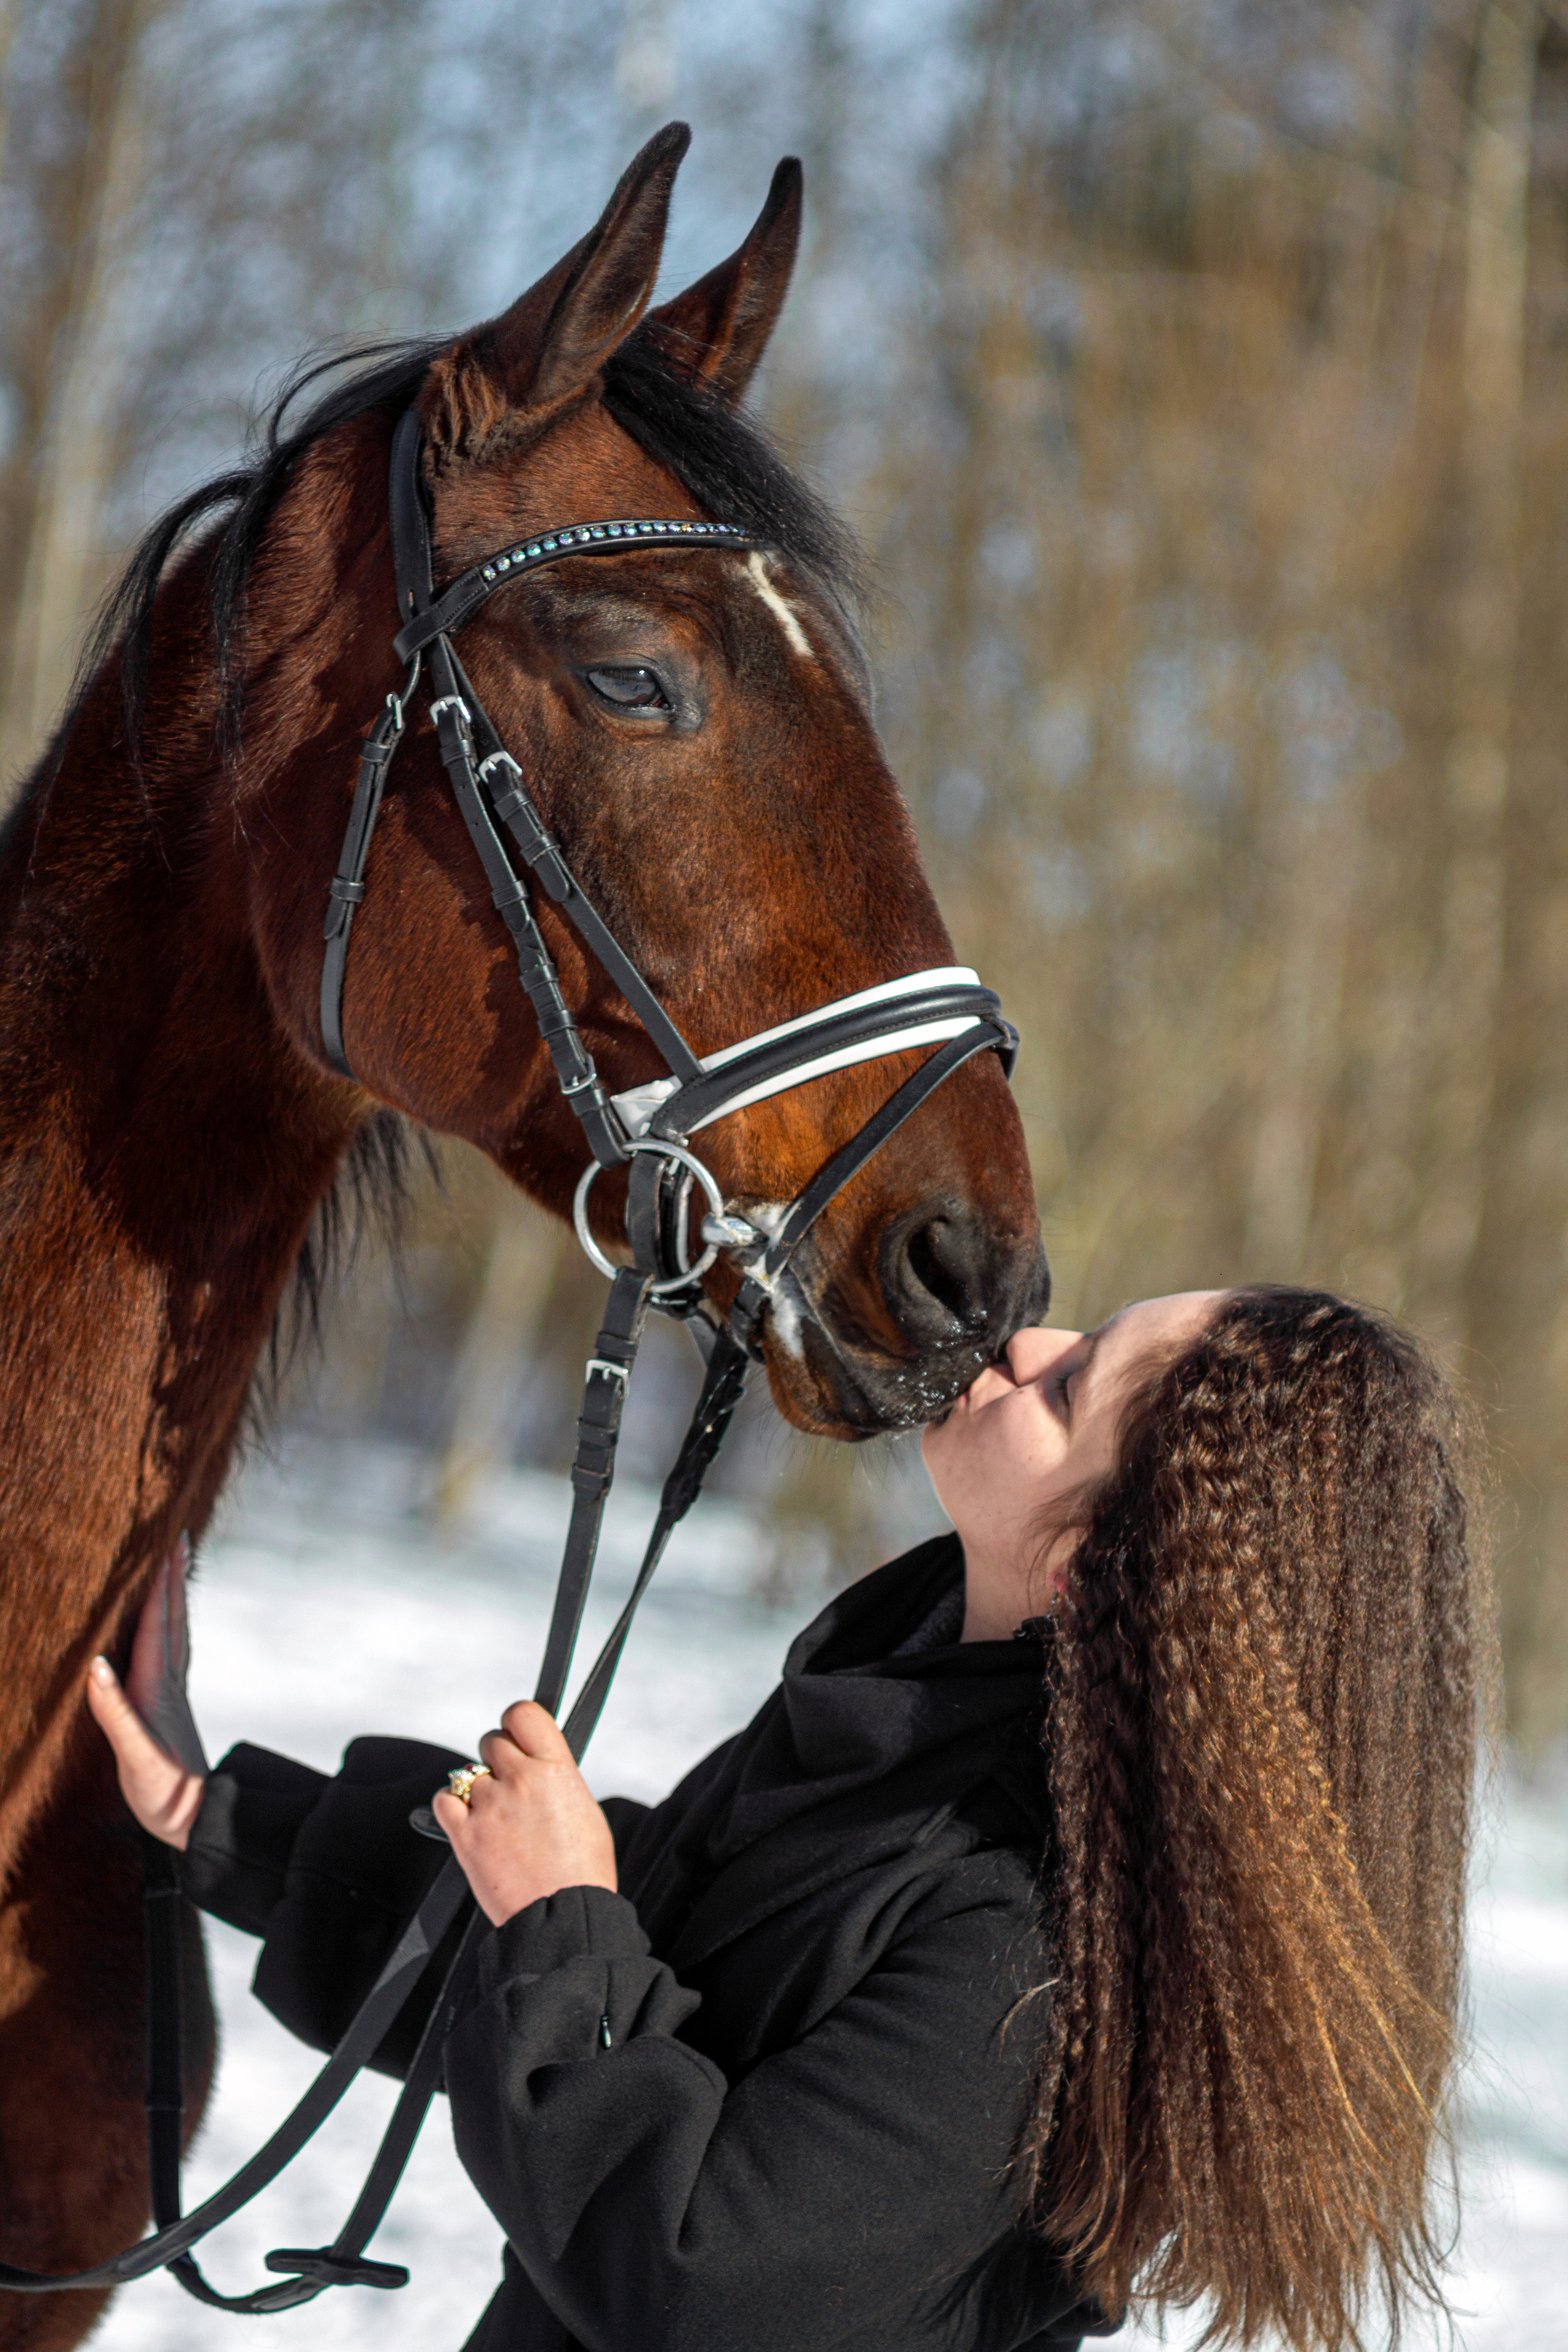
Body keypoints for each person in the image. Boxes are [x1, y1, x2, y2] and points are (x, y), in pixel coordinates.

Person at [88, 1285, 1483, 2352]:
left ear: (1088, 1567)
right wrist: (222, 1818)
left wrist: (561, 1918)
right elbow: (658, 1962)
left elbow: (704, 2278)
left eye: (1068, 1386)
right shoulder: (902, 1734)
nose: (1022, 1336)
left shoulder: (1034, 1945)